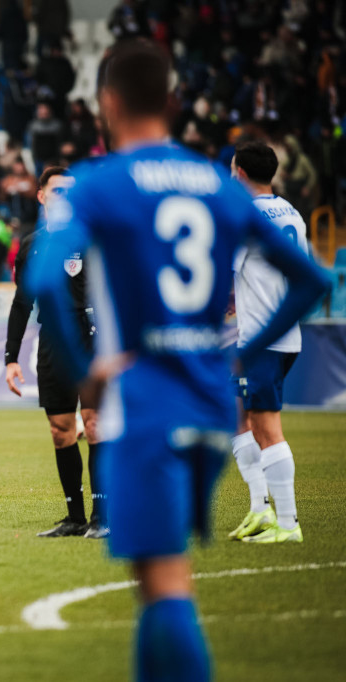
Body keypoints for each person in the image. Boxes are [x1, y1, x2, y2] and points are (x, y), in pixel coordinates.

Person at [26, 40, 328, 682]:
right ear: (171, 100)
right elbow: (310, 281)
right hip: (210, 401)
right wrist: (245, 347)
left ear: (108, 103)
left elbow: (47, 280)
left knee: (162, 585)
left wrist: (86, 366)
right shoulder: (219, 185)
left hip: (146, 399)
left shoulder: (103, 183)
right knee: (166, 577)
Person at [5, 167, 106, 539]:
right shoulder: (32, 245)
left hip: (93, 337)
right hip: (53, 340)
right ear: (41, 196)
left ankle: (103, 517)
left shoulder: (93, 238)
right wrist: (11, 358)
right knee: (61, 430)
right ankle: (75, 518)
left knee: (95, 425)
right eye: (58, 190)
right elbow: (21, 303)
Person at [228, 141, 309, 543]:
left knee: (267, 428)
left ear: (239, 172)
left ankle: (289, 524)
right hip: (286, 335)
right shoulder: (291, 212)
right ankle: (260, 510)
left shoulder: (245, 218)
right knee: (237, 415)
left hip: (261, 339)